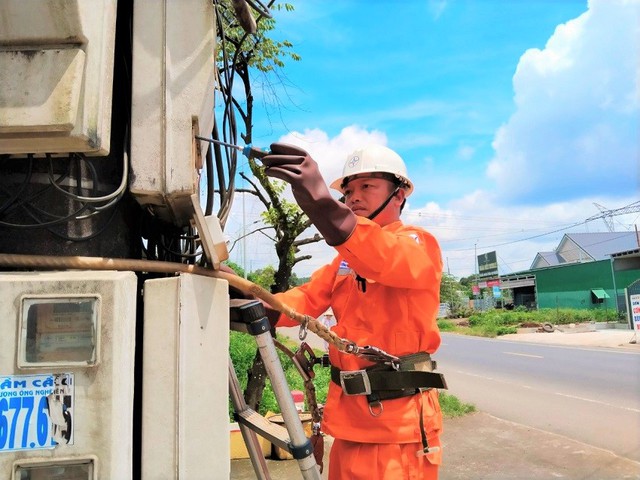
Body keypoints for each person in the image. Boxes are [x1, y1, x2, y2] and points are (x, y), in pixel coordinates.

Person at [261, 143, 445, 480]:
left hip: (396, 431)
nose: (353, 197)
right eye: (347, 191)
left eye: (367, 186)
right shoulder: (344, 260)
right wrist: (251, 301)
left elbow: (381, 255)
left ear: (400, 195)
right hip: (349, 427)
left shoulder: (418, 245)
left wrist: (321, 203)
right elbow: (304, 300)